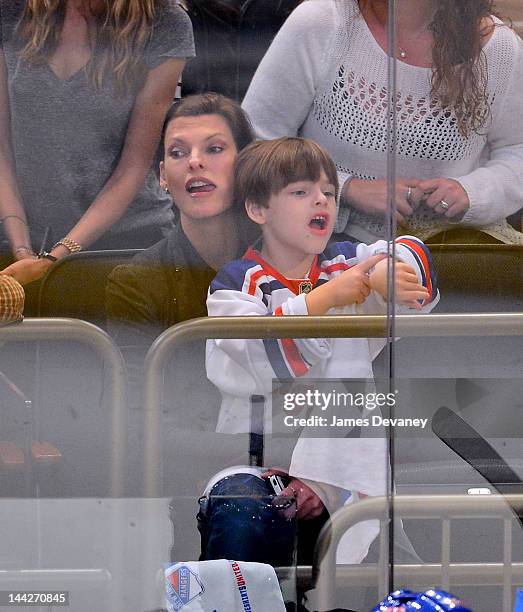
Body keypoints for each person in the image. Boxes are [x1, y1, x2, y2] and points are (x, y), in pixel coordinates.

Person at [202, 137, 439, 570]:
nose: (321, 201)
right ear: (258, 210)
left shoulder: (347, 261)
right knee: (242, 514)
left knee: (397, 555)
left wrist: (389, 270)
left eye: (328, 193)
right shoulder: (236, 283)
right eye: (300, 192)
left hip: (350, 467)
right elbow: (252, 361)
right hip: (258, 463)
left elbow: (409, 250)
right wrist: (326, 299)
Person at [242, 0, 523, 244]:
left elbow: (517, 151)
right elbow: (254, 144)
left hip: (453, 249)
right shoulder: (323, 21)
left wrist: (471, 193)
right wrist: (346, 188)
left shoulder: (501, 48)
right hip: (327, 246)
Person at [0, 0, 194, 286]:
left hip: (123, 245)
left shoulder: (164, 22)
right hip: (19, 237)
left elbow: (134, 164)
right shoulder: (12, 10)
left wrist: (54, 259)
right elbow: (2, 147)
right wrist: (23, 251)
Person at [106, 92, 255, 378]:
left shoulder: (288, 260)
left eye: (214, 149)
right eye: (178, 153)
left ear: (245, 164)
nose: (194, 162)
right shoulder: (135, 281)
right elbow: (138, 407)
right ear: (162, 176)